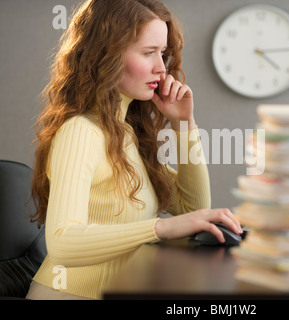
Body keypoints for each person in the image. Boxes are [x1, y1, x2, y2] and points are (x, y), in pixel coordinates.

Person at [26, 0, 242, 300]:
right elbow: (63, 243)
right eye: (148, 52)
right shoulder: (81, 132)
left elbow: (194, 210)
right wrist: (161, 228)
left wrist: (184, 125)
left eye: (163, 54)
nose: (161, 68)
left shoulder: (126, 132)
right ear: (108, 55)